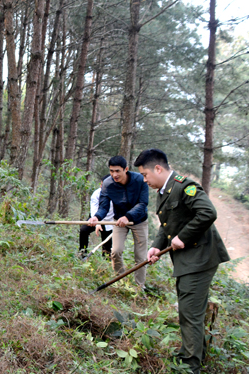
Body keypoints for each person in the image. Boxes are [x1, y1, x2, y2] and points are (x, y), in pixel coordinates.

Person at [136, 149, 229, 374]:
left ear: (158, 168)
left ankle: (190, 366)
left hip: (200, 258)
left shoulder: (184, 186)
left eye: (146, 174)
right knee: (190, 311)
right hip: (188, 260)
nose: (145, 180)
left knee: (190, 313)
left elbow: (207, 212)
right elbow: (167, 224)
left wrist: (184, 237)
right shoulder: (164, 190)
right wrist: (157, 246)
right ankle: (192, 354)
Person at [88, 155, 149, 288]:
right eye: (111, 171)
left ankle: (140, 287)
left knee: (140, 256)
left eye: (117, 171)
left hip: (138, 221)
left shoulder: (139, 180)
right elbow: (103, 206)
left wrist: (128, 216)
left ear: (126, 169)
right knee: (115, 251)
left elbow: (143, 203)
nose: (114, 174)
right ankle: (121, 282)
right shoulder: (108, 184)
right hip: (119, 221)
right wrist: (96, 218)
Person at [78, 175, 114, 258]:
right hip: (95, 218)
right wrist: (97, 222)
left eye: (104, 185)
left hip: (109, 221)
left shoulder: (116, 194)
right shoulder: (96, 194)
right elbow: (94, 209)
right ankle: (82, 253)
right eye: (101, 185)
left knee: (107, 245)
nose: (101, 187)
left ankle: (106, 261)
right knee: (84, 230)